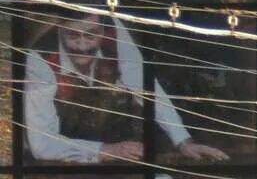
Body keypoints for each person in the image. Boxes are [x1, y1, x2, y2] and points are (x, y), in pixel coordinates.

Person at [24, 14, 228, 165]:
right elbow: (42, 143)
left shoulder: (114, 28)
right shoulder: (39, 57)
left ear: (103, 30)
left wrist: (183, 141)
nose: (82, 46)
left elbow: (144, 85)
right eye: (73, 36)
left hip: (107, 127)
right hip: (53, 154)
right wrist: (105, 150)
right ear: (60, 29)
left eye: (91, 35)